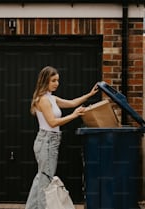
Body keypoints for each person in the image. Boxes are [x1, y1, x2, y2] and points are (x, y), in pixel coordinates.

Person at [25, 66, 99, 209]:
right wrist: (74, 115)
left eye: (57, 80)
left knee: (41, 177)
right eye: (53, 80)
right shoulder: (43, 100)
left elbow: (72, 103)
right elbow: (52, 122)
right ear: (45, 81)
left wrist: (89, 94)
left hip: (50, 141)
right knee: (45, 180)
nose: (56, 83)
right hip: (46, 141)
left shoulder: (51, 98)